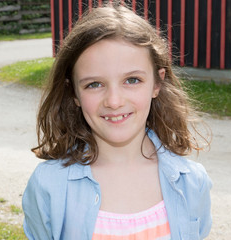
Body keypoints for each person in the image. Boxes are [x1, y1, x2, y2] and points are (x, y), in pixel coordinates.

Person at [22, 2, 212, 240]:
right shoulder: (49, 185)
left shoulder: (192, 183)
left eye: (132, 80)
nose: (113, 101)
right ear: (74, 93)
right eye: (94, 84)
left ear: (157, 83)